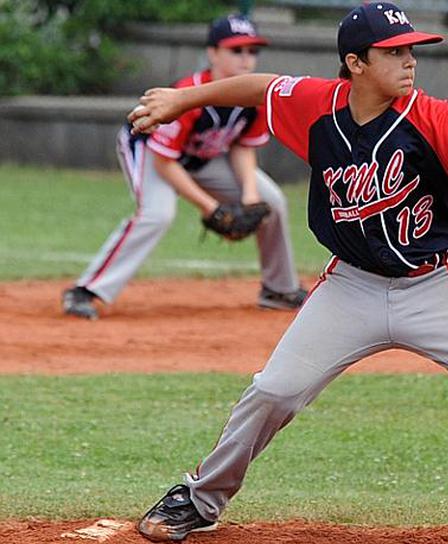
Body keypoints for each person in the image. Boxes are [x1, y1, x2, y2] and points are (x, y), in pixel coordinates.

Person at [130, 4, 448, 544]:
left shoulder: (436, 119)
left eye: (412, 50)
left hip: (437, 283)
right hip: (351, 287)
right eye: (394, 52)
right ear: (355, 63)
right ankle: (199, 499)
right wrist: (179, 99)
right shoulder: (318, 106)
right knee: (274, 391)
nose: (410, 61)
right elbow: (260, 87)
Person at [62, 14, 306, 321]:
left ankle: (279, 290)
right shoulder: (188, 94)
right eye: (236, 50)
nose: (246, 59)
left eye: (252, 51)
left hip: (204, 157)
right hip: (150, 150)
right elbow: (165, 162)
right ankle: (86, 290)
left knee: (272, 202)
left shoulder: (254, 97)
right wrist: (211, 207)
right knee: (157, 214)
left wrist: (249, 195)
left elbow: (243, 147)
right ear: (212, 53)